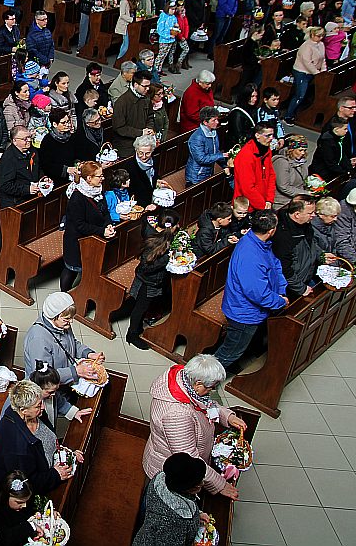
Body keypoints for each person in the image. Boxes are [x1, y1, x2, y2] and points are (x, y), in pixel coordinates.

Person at [142, 354, 246, 499]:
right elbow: (190, 461)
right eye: (211, 387)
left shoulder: (184, 380)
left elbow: (205, 404)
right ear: (198, 384)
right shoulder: (177, 415)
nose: (212, 390)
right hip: (173, 473)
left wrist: (227, 416)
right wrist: (220, 485)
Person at [214, 210, 287, 371]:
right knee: (229, 352)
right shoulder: (250, 255)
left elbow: (274, 265)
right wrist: (280, 301)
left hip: (250, 309)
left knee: (235, 346)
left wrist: (281, 289)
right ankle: (203, 379)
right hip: (244, 313)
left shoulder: (258, 242)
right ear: (271, 231)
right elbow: (257, 293)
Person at [0, 380, 80, 499]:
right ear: (23, 410)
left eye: (41, 402)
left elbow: (49, 440)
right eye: (38, 405)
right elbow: (27, 483)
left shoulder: (35, 414)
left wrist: (66, 454)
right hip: (11, 493)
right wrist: (55, 475)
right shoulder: (18, 447)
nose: (43, 407)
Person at [133, 453, 212, 546]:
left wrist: (197, 515)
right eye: (198, 483)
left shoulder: (161, 480)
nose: (202, 483)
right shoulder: (174, 521)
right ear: (187, 488)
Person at [62, 161, 116, 290]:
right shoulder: (77, 198)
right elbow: (80, 225)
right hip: (77, 241)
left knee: (89, 269)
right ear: (89, 178)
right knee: (72, 269)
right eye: (99, 176)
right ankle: (63, 294)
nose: (102, 178)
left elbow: (105, 211)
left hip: (93, 237)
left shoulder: (98, 190)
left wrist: (108, 225)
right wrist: (102, 231)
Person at [233, 122, 278, 212]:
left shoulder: (266, 150)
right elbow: (247, 188)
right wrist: (263, 206)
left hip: (264, 202)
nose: (271, 139)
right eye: (268, 136)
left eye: (272, 135)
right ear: (257, 135)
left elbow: (271, 176)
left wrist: (269, 200)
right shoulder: (246, 155)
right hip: (247, 207)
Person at [286, 27, 327, 123]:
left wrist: (324, 71)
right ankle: (288, 116)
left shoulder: (321, 44)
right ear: (312, 35)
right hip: (302, 72)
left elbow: (323, 59)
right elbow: (307, 62)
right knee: (300, 95)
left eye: (322, 36)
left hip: (313, 73)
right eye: (318, 36)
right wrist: (317, 73)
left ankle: (299, 114)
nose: (321, 38)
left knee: (307, 95)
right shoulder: (306, 46)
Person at [185, 106, 227, 186]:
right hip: (197, 176)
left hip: (208, 172)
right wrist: (221, 155)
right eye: (214, 120)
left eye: (217, 119)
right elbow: (201, 159)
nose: (217, 122)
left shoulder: (213, 132)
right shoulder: (197, 138)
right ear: (205, 122)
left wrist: (225, 165)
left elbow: (215, 151)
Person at [273, 135, 311, 208]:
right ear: (291, 150)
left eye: (304, 150)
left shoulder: (302, 162)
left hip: (297, 199)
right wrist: (306, 193)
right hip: (282, 202)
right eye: (300, 150)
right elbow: (284, 187)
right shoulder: (282, 162)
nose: (303, 153)